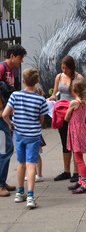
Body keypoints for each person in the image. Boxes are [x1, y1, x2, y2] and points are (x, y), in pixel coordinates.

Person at [2, 68, 48, 209]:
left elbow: (5, 114)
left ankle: (19, 193)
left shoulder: (15, 95)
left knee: (21, 163)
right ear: (37, 81)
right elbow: (41, 120)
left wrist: (11, 125)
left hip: (19, 134)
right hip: (33, 136)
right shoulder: (40, 99)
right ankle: (30, 196)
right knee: (31, 164)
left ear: (22, 81)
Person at [47, 55, 84, 182]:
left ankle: (76, 171)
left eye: (66, 68)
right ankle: (66, 171)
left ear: (71, 68)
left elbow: (83, 97)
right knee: (64, 142)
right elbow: (54, 94)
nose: (64, 70)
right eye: (62, 67)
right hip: (61, 113)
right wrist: (49, 100)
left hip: (73, 113)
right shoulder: (59, 76)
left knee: (74, 143)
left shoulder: (79, 78)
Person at [0, 44, 27, 197]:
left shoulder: (11, 70)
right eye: (20, 58)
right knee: (6, 148)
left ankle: (2, 182)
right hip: (1, 115)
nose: (21, 61)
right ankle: (0, 184)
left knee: (5, 148)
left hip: (6, 114)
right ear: (12, 56)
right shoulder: (2, 67)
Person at [65, 78, 86, 194]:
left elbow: (66, 117)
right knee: (78, 157)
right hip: (80, 130)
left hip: (76, 132)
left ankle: (85, 184)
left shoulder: (74, 103)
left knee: (79, 159)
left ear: (74, 90)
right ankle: (80, 181)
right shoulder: (83, 102)